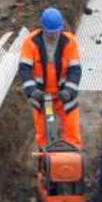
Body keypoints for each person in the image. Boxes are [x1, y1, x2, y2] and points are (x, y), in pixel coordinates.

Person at [18, 8, 82, 148]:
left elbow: (75, 70)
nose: (53, 36)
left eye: (56, 32)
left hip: (64, 94)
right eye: (50, 33)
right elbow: (24, 69)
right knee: (43, 134)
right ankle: (45, 160)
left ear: (61, 28)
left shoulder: (69, 42)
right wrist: (33, 91)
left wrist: (69, 92)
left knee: (72, 130)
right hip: (41, 96)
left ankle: (72, 158)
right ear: (43, 28)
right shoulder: (31, 42)